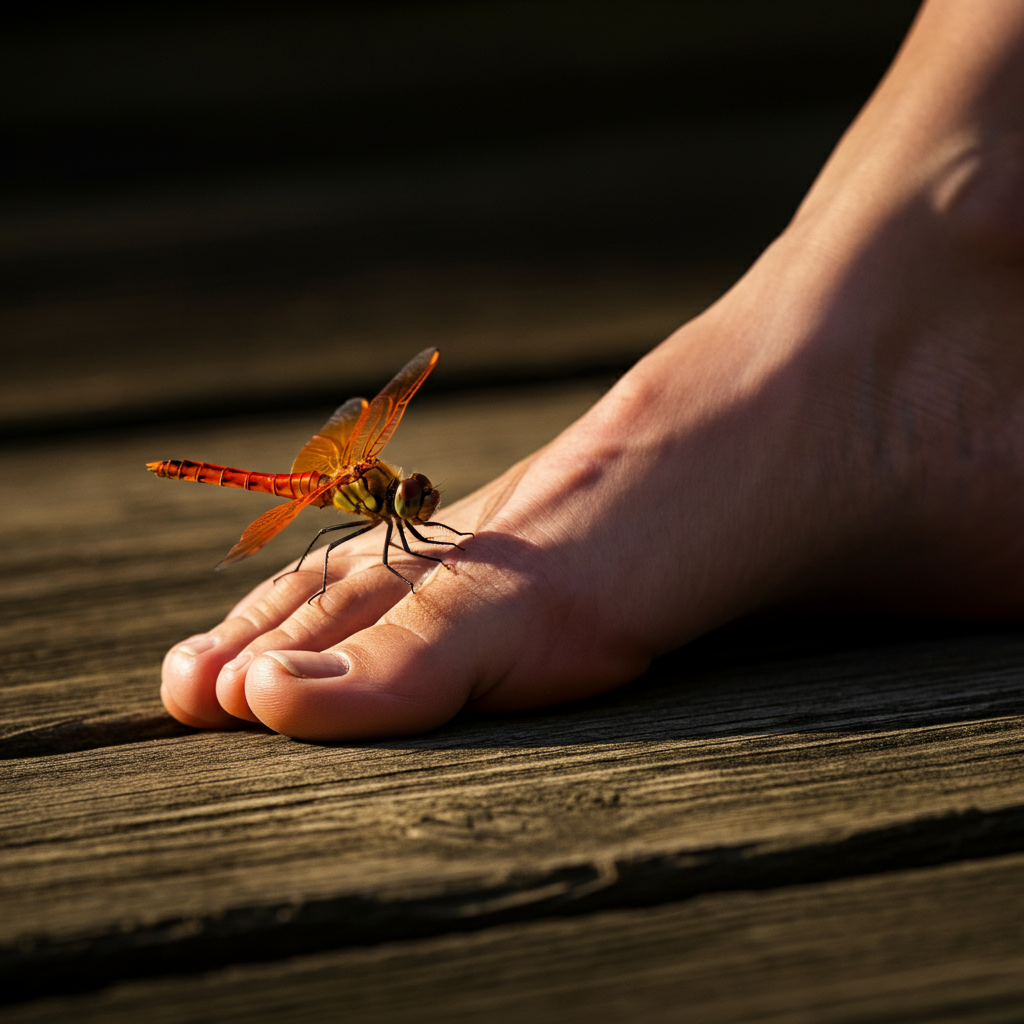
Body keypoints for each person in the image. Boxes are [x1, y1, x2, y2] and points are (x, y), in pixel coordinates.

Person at [161, 0, 1024, 740]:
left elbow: (406, 530)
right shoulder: (358, 496)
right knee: (321, 540)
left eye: (416, 497)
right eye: (414, 500)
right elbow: (359, 530)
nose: (419, 502)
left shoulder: (395, 499)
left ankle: (958, 240)